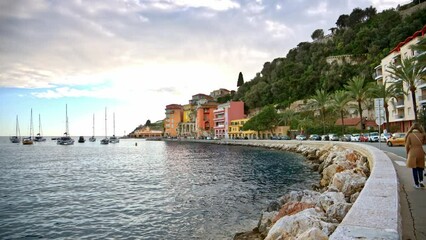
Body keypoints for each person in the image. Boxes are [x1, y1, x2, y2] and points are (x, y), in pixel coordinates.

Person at [405, 122, 426, 188]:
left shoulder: (410, 135)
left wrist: (408, 152)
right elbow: (424, 143)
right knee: (420, 168)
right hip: (421, 152)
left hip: (412, 153)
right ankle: (421, 181)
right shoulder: (423, 134)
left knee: (414, 168)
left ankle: (416, 184)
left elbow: (407, 146)